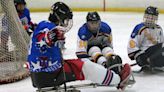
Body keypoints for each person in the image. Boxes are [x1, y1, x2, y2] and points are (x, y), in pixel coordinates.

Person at [27, 2, 133, 91]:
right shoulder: (49, 27)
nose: (66, 23)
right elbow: (43, 37)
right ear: (59, 18)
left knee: (78, 64)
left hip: (38, 75)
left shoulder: (43, 25)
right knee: (85, 66)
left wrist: (49, 38)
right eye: (65, 19)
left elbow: (40, 41)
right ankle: (118, 79)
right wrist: (49, 37)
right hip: (50, 75)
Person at [127, 6, 164, 71]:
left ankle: (156, 63)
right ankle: (149, 63)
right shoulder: (140, 28)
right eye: (148, 17)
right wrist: (139, 56)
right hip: (145, 54)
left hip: (155, 55)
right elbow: (132, 45)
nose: (150, 19)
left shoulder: (159, 29)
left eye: (152, 18)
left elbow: (161, 45)